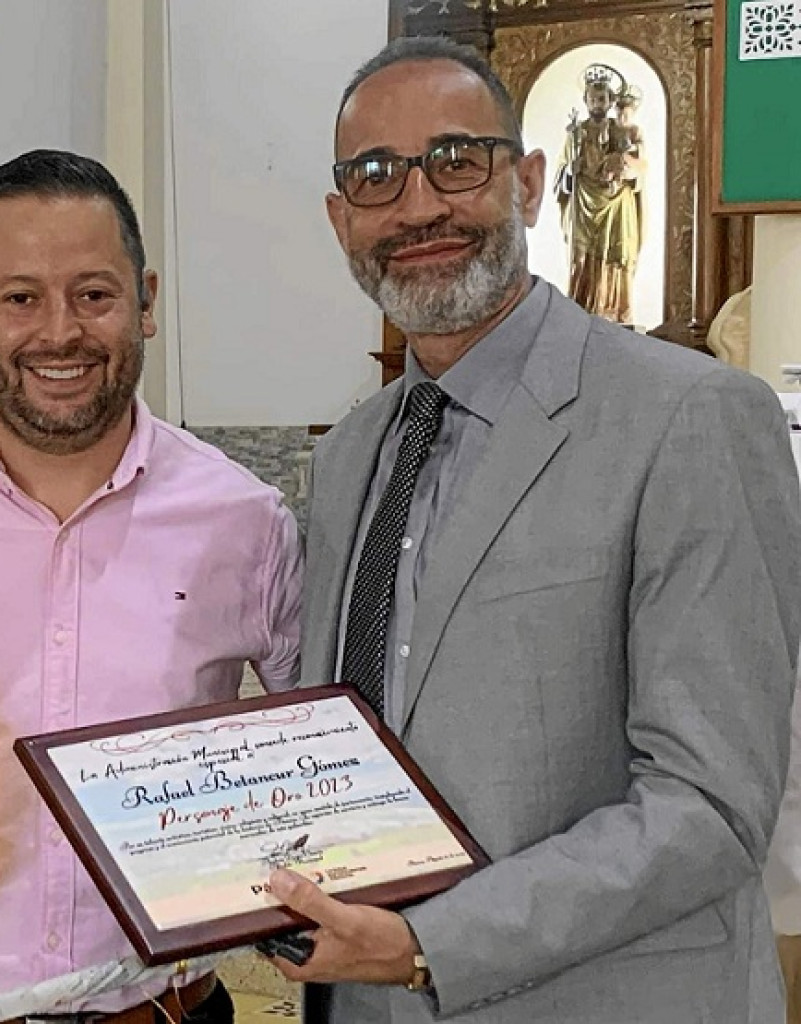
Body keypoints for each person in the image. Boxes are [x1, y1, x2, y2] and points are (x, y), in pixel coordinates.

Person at [261, 36, 801, 1023]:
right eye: (376, 176)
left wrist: (431, 946)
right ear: (342, 220)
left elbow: (711, 804)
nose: (418, 206)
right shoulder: (347, 458)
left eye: (458, 159)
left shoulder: (692, 418)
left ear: (532, 181)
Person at [0, 149, 303, 1023]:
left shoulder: (244, 522)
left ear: (146, 304)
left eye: (94, 295)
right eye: (20, 297)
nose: (59, 331)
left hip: (163, 1011)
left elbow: (325, 758)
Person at [554, 65, 645, 325]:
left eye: (602, 98)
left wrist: (624, 166)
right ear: (585, 101)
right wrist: (569, 173)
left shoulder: (624, 130)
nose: (597, 103)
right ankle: (582, 308)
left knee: (616, 256)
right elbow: (561, 172)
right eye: (592, 99)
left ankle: (615, 310)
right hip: (584, 201)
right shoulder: (576, 133)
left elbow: (639, 168)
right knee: (581, 256)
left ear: (611, 101)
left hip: (617, 202)